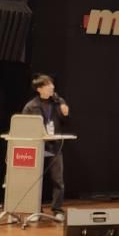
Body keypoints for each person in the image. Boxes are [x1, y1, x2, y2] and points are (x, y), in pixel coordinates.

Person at [22, 73, 70, 220]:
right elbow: (24, 127)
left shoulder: (57, 102)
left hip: (54, 146)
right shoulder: (31, 106)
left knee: (58, 180)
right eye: (48, 85)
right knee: (35, 180)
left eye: (52, 84)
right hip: (37, 147)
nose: (52, 87)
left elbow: (66, 120)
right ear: (39, 89)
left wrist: (64, 110)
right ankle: (35, 209)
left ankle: (57, 209)